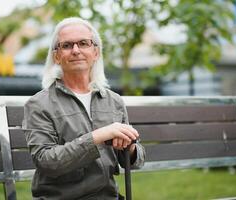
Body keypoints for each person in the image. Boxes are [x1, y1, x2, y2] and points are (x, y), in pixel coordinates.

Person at [23, 17, 145, 200]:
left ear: (95, 52)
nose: (76, 50)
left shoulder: (114, 101)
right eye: (66, 45)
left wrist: (131, 148)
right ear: (56, 56)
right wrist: (98, 136)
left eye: (83, 43)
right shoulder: (39, 104)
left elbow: (135, 160)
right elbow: (46, 162)